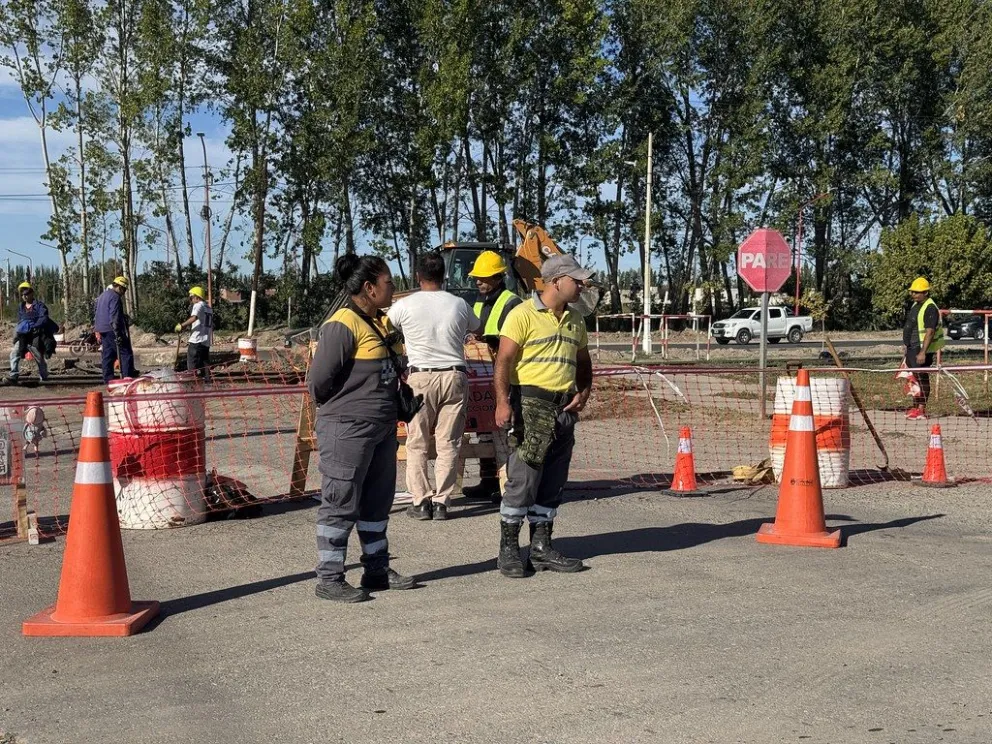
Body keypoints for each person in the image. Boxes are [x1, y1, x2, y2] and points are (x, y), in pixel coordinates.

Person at [307, 254, 415, 602]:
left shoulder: (382, 323)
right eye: (388, 283)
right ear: (369, 288)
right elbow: (318, 383)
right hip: (347, 430)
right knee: (340, 501)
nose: (393, 289)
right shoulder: (342, 325)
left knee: (376, 502)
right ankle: (330, 577)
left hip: (382, 428)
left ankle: (376, 570)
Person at [493, 254, 594, 578]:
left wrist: (585, 389)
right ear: (556, 282)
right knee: (523, 480)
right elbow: (504, 361)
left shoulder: (576, 319)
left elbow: (582, 361)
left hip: (563, 409)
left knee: (553, 483)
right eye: (576, 280)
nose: (582, 285)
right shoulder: (522, 315)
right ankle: (509, 549)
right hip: (530, 406)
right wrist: (502, 403)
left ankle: (541, 548)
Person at [387, 251, 480, 521]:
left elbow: (385, 327)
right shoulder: (458, 304)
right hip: (454, 376)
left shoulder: (405, 305)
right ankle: (441, 501)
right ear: (444, 275)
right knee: (448, 442)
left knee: (417, 441)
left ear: (418, 276)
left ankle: (421, 500)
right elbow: (477, 326)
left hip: (420, 378)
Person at [461, 250, 522, 501]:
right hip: (484, 373)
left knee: (503, 431)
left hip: (503, 372)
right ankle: (488, 480)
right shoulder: (479, 301)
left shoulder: (512, 302)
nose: (478, 282)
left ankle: (507, 483)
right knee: (484, 430)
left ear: (498, 277)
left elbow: (514, 339)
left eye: (484, 278)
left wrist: (488, 340)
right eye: (476, 278)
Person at [902, 277, 945, 420]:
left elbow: (930, 331)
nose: (913, 294)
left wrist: (923, 352)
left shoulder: (930, 307)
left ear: (925, 292)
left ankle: (921, 409)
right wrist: (906, 346)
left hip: (921, 349)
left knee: (922, 378)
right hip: (911, 347)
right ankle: (915, 406)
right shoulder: (916, 306)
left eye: (917, 292)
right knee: (913, 379)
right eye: (912, 292)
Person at [5, 282, 55, 385]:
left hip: (35, 336)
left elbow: (44, 318)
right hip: (23, 336)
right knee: (14, 353)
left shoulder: (40, 305)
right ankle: (13, 375)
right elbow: (20, 320)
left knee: (39, 357)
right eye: (23, 294)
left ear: (32, 294)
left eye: (27, 294)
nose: (24, 296)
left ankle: (44, 377)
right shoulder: (21, 306)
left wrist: (34, 326)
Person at [94, 276, 137, 383]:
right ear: (119, 287)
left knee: (108, 354)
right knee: (125, 353)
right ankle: (127, 378)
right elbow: (114, 315)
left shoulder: (103, 295)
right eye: (124, 289)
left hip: (102, 329)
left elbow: (99, 312)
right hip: (111, 329)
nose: (124, 292)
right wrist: (117, 332)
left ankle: (108, 380)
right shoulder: (115, 297)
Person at [175, 286, 213, 380]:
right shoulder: (208, 307)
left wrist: (182, 326)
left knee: (192, 361)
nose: (191, 300)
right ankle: (207, 382)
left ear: (196, 297)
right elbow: (201, 322)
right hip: (206, 340)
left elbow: (194, 318)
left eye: (191, 297)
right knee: (204, 362)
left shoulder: (198, 305)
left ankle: (192, 381)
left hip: (197, 339)